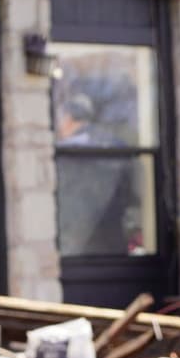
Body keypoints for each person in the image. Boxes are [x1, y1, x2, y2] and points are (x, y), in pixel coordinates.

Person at [54, 92, 138, 256]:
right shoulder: (116, 144)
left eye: (61, 121)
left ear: (68, 119)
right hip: (114, 230)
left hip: (82, 241)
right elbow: (128, 186)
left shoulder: (66, 151)